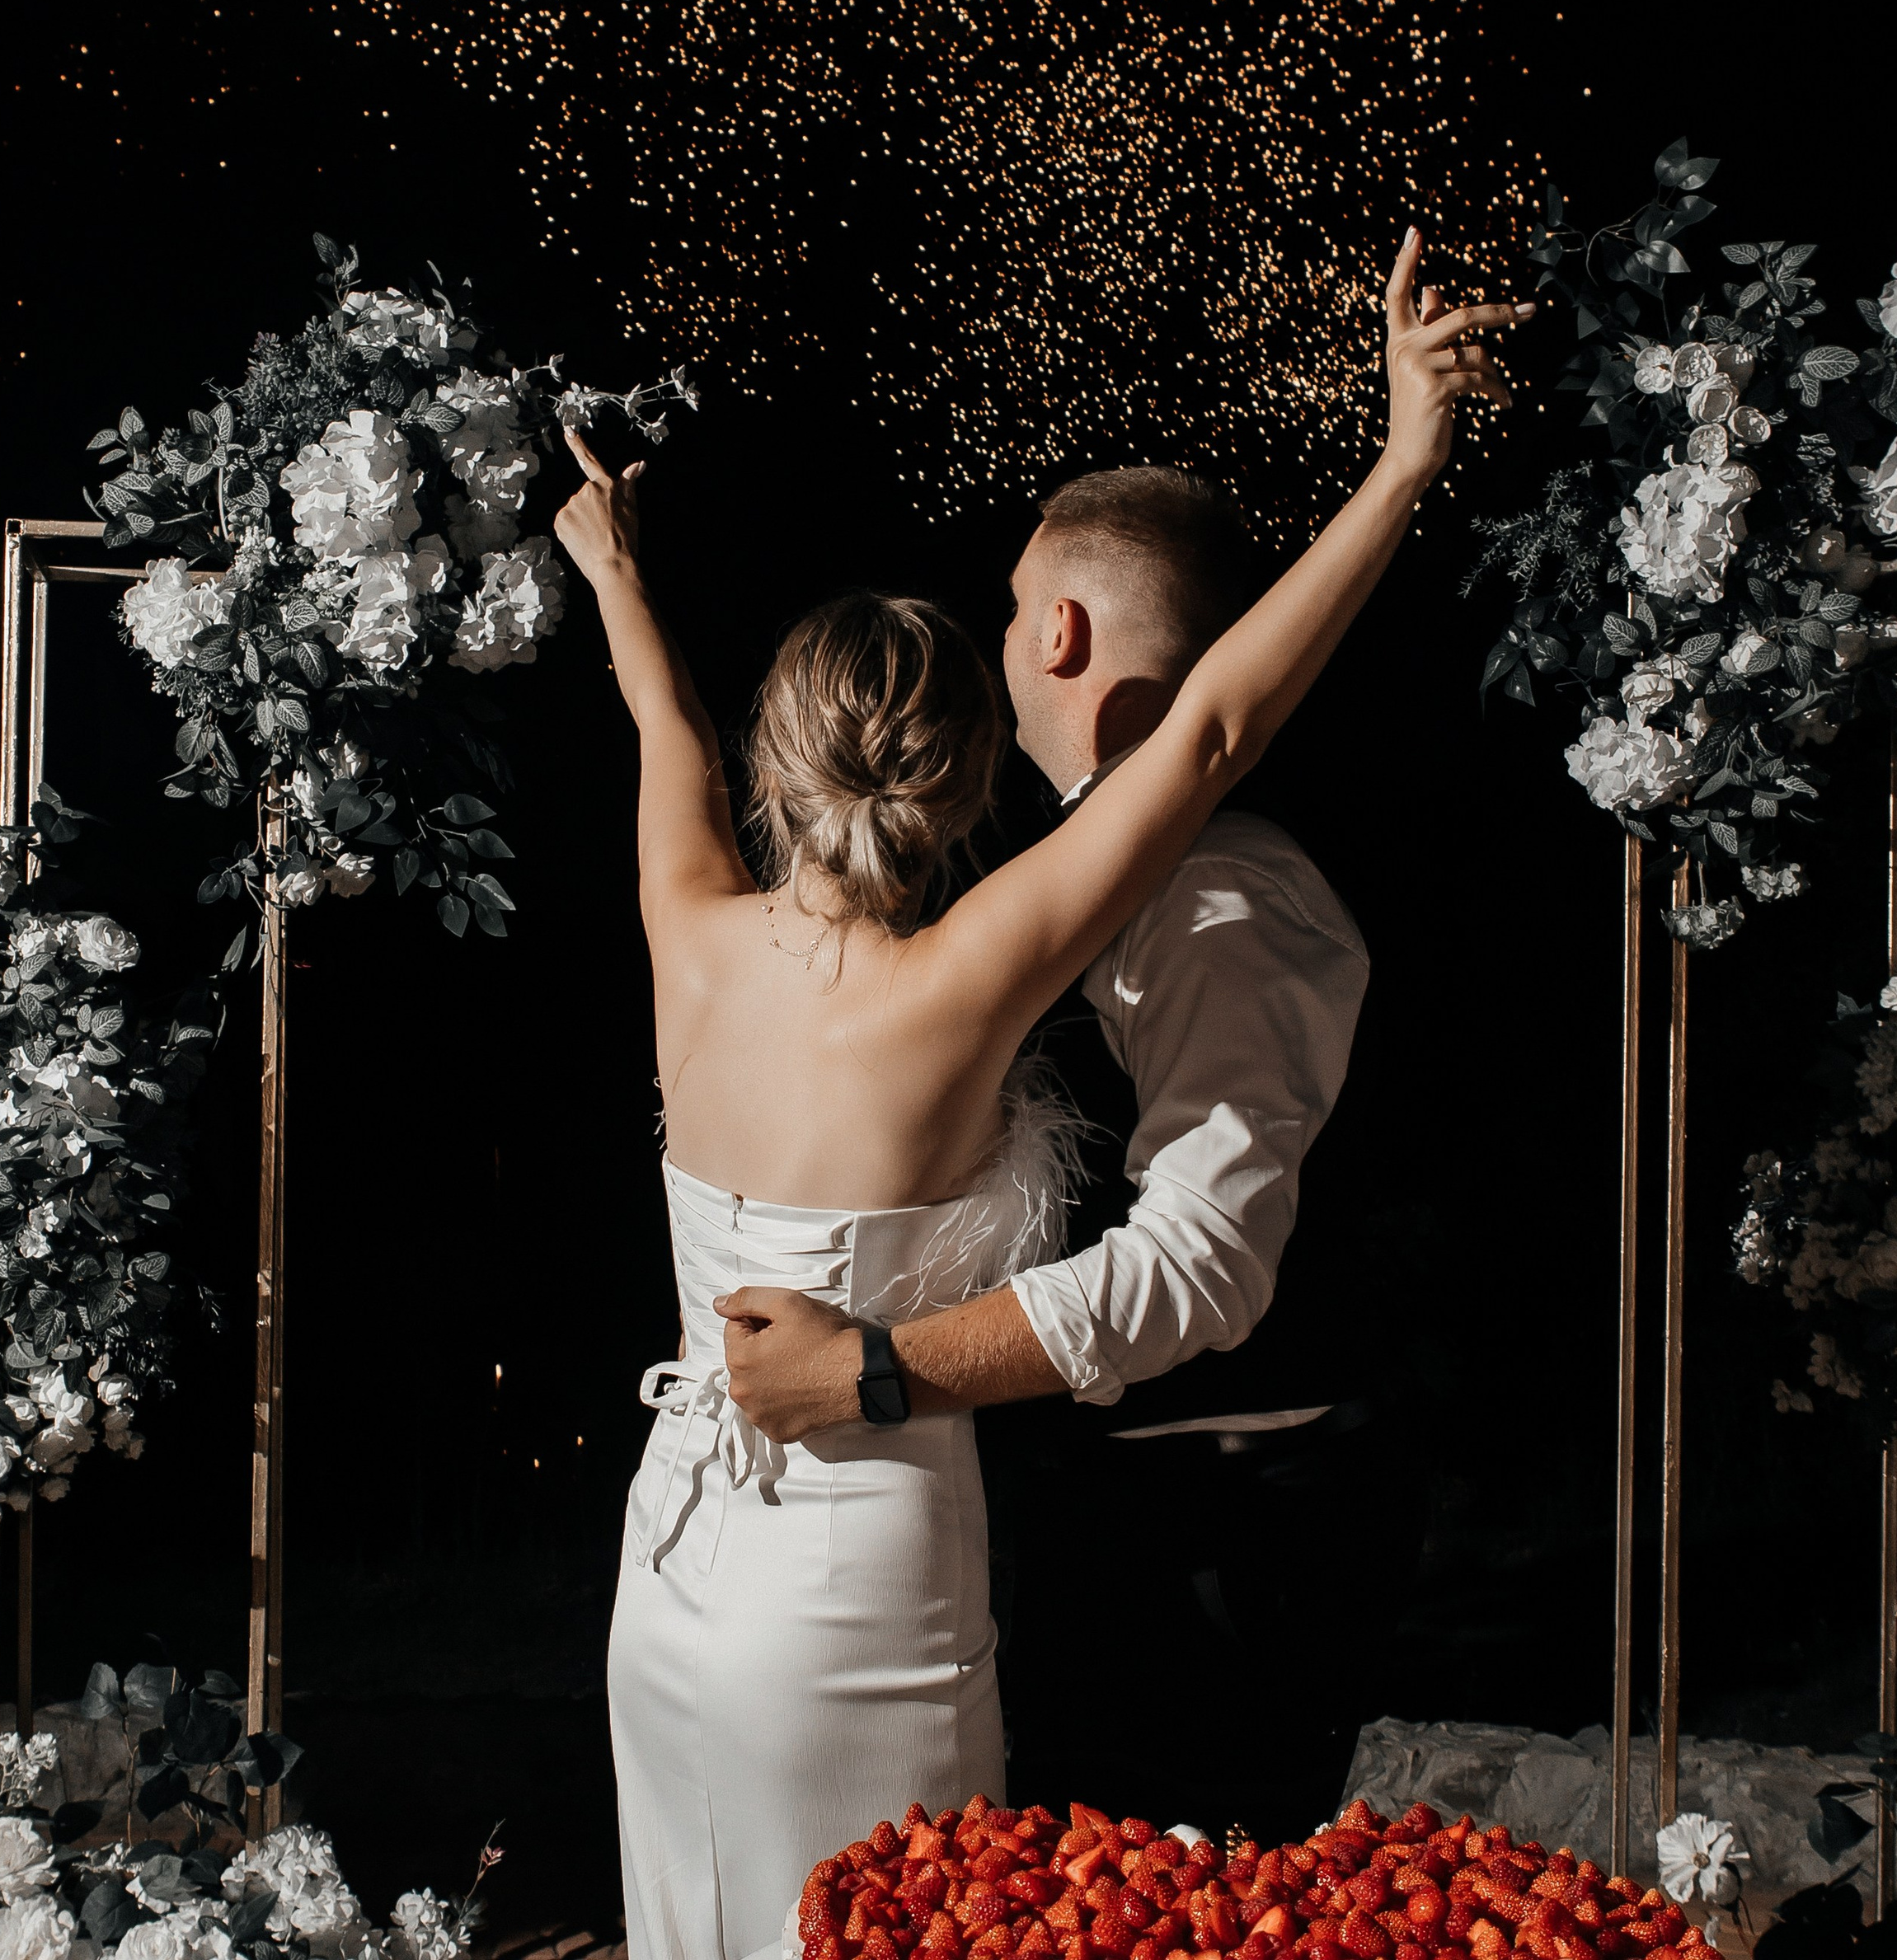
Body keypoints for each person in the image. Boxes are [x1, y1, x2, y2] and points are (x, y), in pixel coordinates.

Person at [552, 234, 1524, 1960]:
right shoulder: (957, 979)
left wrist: (614, 570)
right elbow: (1211, 730)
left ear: (778, 762)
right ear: (953, 779)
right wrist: (1397, 465)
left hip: (670, 1555)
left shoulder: (681, 928)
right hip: (854, 1571)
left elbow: (658, 729)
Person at [718, 464, 1405, 1838]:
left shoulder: (1221, 897)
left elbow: (1204, 1268)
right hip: (1125, 1521)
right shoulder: (1114, 869)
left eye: (1016, 599)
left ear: (1064, 634)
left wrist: (866, 1369)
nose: (1004, 628)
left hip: (1220, 1541)